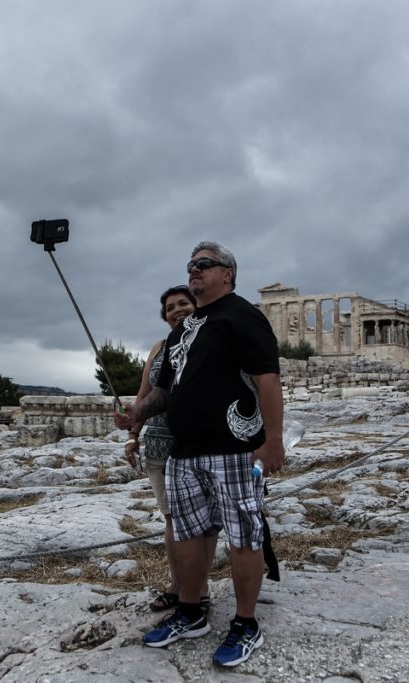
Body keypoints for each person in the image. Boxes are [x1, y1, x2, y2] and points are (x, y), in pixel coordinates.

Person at [115, 241, 285, 668]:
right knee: (188, 534)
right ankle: (190, 611)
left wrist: (274, 440)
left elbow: (267, 379)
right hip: (183, 451)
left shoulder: (243, 316)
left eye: (203, 265)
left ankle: (246, 624)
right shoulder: (182, 331)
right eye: (190, 265)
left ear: (227, 273)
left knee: (244, 535)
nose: (194, 270)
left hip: (233, 448)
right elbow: (164, 392)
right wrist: (138, 413)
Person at [124, 285, 218, 614]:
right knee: (171, 519)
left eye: (183, 303)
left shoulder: (214, 339)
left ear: (197, 305)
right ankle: (177, 586)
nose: (176, 310)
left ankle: (200, 589)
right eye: (169, 308)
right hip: (161, 442)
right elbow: (144, 393)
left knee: (203, 520)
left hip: (203, 441)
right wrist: (133, 434)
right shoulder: (160, 347)